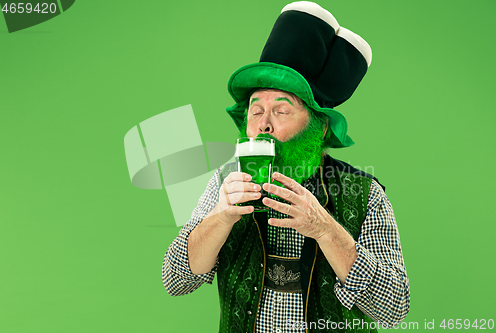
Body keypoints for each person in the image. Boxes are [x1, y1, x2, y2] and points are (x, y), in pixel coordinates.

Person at [162, 2, 410, 332]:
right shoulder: (226, 182)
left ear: (319, 128)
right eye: (255, 110)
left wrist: (325, 229)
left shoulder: (364, 194)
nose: (263, 124)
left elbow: (394, 307)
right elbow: (176, 280)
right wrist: (220, 217)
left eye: (281, 111)